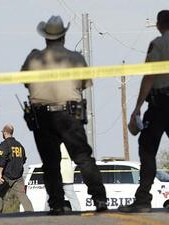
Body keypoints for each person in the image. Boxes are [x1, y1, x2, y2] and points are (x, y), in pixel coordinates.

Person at [21, 15, 107, 215]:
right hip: (69, 115)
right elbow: (85, 85)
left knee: (50, 162)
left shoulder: (34, 58)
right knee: (83, 158)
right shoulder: (75, 58)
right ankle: (99, 199)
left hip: (42, 115)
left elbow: (25, 82)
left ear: (45, 37)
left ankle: (57, 204)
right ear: (63, 36)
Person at [118, 10, 169, 213]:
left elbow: (150, 76)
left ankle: (143, 199)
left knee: (147, 147)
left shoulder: (157, 44)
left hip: (160, 102)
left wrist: (138, 107)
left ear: (159, 25)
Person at [0, 124, 34, 213]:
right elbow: (24, 159)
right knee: (22, 195)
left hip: (6, 176)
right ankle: (31, 213)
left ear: (5, 132)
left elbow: (2, 160)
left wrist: (0, 174)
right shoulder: (19, 145)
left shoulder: (4, 144)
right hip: (18, 177)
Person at [60, 143, 81, 211]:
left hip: (58, 172)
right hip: (67, 173)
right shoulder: (69, 143)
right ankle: (77, 210)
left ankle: (47, 211)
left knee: (50, 193)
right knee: (71, 194)